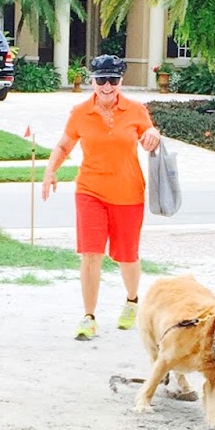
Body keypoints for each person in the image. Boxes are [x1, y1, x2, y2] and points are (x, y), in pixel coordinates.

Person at [41, 54, 161, 340]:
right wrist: (50, 171)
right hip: (90, 190)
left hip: (128, 193)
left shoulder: (136, 110)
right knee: (90, 253)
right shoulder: (80, 112)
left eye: (113, 80)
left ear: (121, 81)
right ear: (92, 81)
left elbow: (149, 134)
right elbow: (64, 145)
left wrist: (153, 134)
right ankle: (89, 317)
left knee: (126, 256)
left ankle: (132, 300)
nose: (107, 86)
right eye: (101, 80)